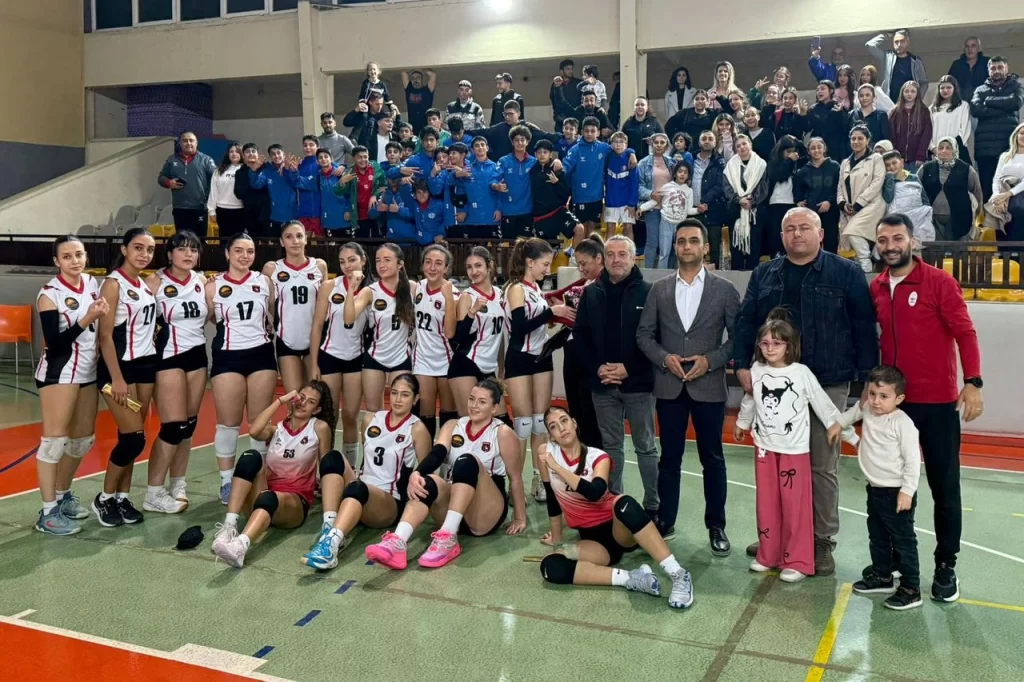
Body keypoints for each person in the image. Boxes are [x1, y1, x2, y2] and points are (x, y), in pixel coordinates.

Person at [733, 206, 879, 575]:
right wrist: (741, 364)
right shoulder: (764, 273)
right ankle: (778, 536)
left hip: (828, 380)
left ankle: (820, 540)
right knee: (777, 463)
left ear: (821, 233)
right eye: (789, 229)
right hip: (776, 381)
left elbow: (864, 326)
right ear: (782, 236)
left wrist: (868, 379)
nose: (796, 234)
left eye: (804, 227)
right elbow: (747, 320)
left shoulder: (846, 272)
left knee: (820, 465)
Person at [870, 213, 983, 602]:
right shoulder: (877, 287)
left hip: (936, 405)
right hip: (893, 408)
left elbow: (965, 333)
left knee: (944, 487)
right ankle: (899, 564)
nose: (890, 246)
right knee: (894, 488)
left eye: (897, 238)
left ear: (912, 241)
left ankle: (946, 565)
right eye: (883, 240)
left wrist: (973, 381)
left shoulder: (940, 282)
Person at [636, 221, 740, 550]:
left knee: (713, 459)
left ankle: (716, 526)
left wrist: (710, 361)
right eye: (681, 241)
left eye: (693, 241)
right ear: (675, 247)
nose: (686, 246)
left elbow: (738, 339)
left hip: (708, 387)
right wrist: (663, 358)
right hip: (669, 387)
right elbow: (644, 335)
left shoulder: (725, 290)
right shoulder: (659, 289)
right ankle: (666, 520)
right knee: (669, 459)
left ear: (705, 247)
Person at [536, 406, 695, 609]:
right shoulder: (546, 454)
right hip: (593, 542)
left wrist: (557, 468)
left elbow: (595, 492)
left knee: (624, 503)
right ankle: (632, 578)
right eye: (553, 426)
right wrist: (557, 539)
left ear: (574, 423)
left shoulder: (597, 456)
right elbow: (552, 497)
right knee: (550, 566)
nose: (561, 428)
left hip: (619, 529)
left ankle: (679, 575)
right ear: (551, 436)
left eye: (564, 420)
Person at [364, 379, 527, 570]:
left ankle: (448, 538)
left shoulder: (502, 432)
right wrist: (417, 472)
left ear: (494, 408)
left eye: (482, 402)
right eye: (471, 399)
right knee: (426, 481)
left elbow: (515, 478)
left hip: (485, 512)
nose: (474, 405)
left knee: (467, 461)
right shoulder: (453, 425)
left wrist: (519, 517)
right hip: (453, 507)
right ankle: (398, 542)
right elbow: (437, 453)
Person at [734, 313, 849, 582]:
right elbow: (751, 399)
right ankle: (768, 554)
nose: (770, 348)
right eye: (765, 343)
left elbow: (822, 403)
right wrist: (742, 422)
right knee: (767, 504)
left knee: (794, 507)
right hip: (765, 449)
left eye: (777, 343)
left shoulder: (801, 373)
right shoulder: (756, 370)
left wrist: (844, 430)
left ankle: (797, 560)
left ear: (789, 346)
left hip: (794, 451)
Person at [303, 374, 432, 570]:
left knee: (358, 487)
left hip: (389, 502)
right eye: (394, 393)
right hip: (360, 488)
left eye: (405, 395)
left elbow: (426, 470)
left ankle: (331, 547)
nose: (398, 399)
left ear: (415, 399)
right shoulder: (372, 419)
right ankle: (329, 527)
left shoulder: (417, 429)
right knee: (332, 457)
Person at [573, 236, 658, 515]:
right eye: (610, 254)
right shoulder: (591, 294)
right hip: (602, 386)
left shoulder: (649, 292)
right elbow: (580, 337)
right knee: (611, 447)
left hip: (639, 385)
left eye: (622, 254)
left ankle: (653, 505)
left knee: (646, 446)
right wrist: (598, 368)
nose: (616, 259)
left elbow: (655, 339)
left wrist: (629, 369)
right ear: (604, 259)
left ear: (633, 258)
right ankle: (614, 505)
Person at [210, 382, 337, 568]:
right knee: (250, 457)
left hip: (294, 503)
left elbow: (326, 465)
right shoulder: (277, 429)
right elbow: (254, 431)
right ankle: (229, 527)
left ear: (317, 409)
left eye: (310, 402)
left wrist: (328, 502)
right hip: (265, 496)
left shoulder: (318, 427)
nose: (303, 403)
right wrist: (280, 401)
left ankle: (240, 546)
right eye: (301, 397)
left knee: (268, 497)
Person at [827, 365, 923, 611]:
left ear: (898, 398)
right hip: (875, 489)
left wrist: (907, 491)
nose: (876, 401)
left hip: (896, 492)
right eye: (872, 394)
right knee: (877, 536)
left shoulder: (903, 423)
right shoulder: (868, 409)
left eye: (883, 396)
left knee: (903, 541)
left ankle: (911, 589)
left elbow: (913, 461)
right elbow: (851, 415)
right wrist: (838, 426)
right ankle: (882, 575)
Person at [33, 236, 107, 535]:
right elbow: (55, 343)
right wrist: (86, 318)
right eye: (67, 256)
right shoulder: (49, 294)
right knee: (54, 443)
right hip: (59, 373)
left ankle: (62, 496)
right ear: (56, 261)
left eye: (79, 254)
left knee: (82, 441)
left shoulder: (91, 282)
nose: (74, 261)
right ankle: (47, 512)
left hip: (87, 371)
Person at [207, 233, 279, 507]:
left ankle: (258, 477)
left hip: (261, 355)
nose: (244, 256)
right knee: (228, 423)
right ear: (227, 253)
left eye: (249, 251)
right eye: (238, 250)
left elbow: (270, 313)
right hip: (227, 357)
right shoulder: (213, 286)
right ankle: (227, 481)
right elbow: (211, 317)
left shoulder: (264, 282)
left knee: (259, 425)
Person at [92, 228, 158, 527]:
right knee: (133, 438)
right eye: (138, 248)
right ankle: (104, 498)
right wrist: (116, 379)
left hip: (145, 367)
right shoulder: (113, 284)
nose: (144, 254)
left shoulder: (143, 284)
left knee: (132, 437)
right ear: (124, 249)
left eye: (149, 249)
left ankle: (122, 497)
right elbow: (105, 337)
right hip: (119, 369)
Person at [505, 238, 575, 502]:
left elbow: (538, 326)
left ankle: (539, 478)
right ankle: (515, 483)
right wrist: (551, 312)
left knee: (539, 422)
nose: (548, 269)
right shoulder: (516, 288)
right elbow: (519, 328)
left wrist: (555, 318)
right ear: (529, 262)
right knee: (522, 424)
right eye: (545, 264)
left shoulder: (536, 288)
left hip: (541, 357)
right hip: (520, 358)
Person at [143, 231, 207, 514]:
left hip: (197, 356)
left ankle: (178, 484)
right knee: (172, 427)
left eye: (193, 249)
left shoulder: (202, 282)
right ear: (169, 254)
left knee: (188, 426)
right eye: (182, 249)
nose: (188, 254)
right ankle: (153, 493)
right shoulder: (154, 282)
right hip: (167, 357)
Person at [309, 242, 370, 466]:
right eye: (342, 261)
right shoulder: (329, 286)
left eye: (352, 260)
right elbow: (317, 326)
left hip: (356, 358)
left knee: (351, 415)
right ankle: (326, 468)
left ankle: (349, 468)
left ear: (363, 260)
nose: (347, 265)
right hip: (329, 356)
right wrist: (314, 364)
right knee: (329, 416)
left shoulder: (372, 289)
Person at [544, 235, 605, 448]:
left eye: (584, 263)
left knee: (589, 411)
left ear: (599, 259)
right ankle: (579, 456)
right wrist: (556, 311)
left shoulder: (606, 285)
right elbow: (554, 298)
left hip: (591, 355)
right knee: (576, 407)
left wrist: (561, 314)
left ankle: (595, 459)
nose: (580, 269)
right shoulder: (584, 283)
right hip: (572, 351)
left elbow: (592, 321)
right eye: (578, 264)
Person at [343, 243, 414, 417]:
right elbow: (348, 318)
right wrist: (351, 288)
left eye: (387, 260)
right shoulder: (370, 291)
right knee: (373, 413)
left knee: (401, 413)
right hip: (375, 358)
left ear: (400, 264)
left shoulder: (412, 287)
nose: (381, 265)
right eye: (378, 260)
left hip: (402, 357)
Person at [262, 222, 326, 394]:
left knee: (315, 396)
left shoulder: (319, 266)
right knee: (295, 398)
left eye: (299, 236)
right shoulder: (272, 268)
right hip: (287, 339)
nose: (295, 241)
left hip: (315, 340)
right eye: (289, 237)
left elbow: (324, 303)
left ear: (306, 239)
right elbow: (267, 304)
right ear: (282, 242)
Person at [447, 247, 508, 416]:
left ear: (490, 266)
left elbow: (499, 335)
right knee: (471, 421)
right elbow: (458, 339)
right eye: (469, 267)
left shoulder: (501, 294)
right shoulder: (467, 296)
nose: (474, 271)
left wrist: (501, 367)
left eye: (478, 265)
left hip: (489, 367)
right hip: (466, 364)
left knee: (502, 420)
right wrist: (472, 312)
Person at [411, 245, 457, 438]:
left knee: (448, 413)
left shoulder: (454, 294)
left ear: (446, 268)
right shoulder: (416, 287)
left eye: (438, 263)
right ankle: (425, 453)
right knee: (424, 414)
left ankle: (446, 455)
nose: (432, 267)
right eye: (428, 262)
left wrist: (449, 299)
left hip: (447, 359)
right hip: (422, 360)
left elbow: (450, 332)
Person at [970, 56, 1024, 200]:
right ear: (988, 70)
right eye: (993, 68)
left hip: (1008, 146)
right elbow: (975, 109)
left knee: (1011, 187)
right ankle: (989, 215)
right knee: (987, 188)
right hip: (985, 148)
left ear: (1006, 68)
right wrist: (1005, 108)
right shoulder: (980, 89)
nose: (997, 71)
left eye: (1000, 67)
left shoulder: (1016, 86)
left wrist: (988, 101)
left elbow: (1016, 102)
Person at [839, 125, 887, 272]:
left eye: (860, 138)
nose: (856, 141)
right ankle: (868, 259)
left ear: (868, 140)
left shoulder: (876, 158)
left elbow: (877, 182)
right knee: (851, 236)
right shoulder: (845, 162)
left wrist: (859, 203)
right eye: (853, 138)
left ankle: (866, 262)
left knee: (853, 231)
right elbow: (840, 186)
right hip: (850, 208)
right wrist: (842, 203)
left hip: (872, 204)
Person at [919, 137, 983, 241]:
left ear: (955, 150)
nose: (944, 151)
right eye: (940, 148)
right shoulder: (926, 168)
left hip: (959, 218)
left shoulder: (966, 169)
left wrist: (978, 212)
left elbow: (977, 191)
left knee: (956, 249)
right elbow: (917, 189)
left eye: (948, 148)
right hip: (930, 219)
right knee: (935, 249)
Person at [157, 131, 216, 240]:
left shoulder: (206, 160)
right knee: (181, 241)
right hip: (179, 208)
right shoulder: (172, 160)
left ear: (196, 143)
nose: (188, 143)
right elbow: (161, 178)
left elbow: (216, 180)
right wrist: (169, 183)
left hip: (199, 208)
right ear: (180, 143)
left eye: (191, 140)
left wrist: (208, 200)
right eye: (185, 141)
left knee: (199, 241)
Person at [723, 134, 769, 270]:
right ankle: (737, 276)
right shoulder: (730, 166)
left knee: (754, 246)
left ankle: (752, 275)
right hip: (736, 211)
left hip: (755, 212)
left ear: (750, 145)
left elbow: (764, 187)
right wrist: (739, 200)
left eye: (744, 144)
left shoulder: (761, 164)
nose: (742, 147)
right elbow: (727, 187)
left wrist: (752, 202)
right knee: (736, 247)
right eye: (738, 146)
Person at [794, 137, 841, 253]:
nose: (816, 150)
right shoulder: (803, 171)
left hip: (830, 211)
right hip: (811, 212)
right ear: (808, 151)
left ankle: (830, 264)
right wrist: (798, 201)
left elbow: (840, 188)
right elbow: (797, 189)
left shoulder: (835, 166)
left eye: (819, 147)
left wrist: (829, 201)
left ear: (824, 148)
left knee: (831, 242)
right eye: (813, 148)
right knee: (812, 243)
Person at [692, 131, 729, 269]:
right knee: (695, 245)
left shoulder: (720, 161)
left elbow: (721, 185)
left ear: (715, 142)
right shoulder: (691, 159)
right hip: (693, 210)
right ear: (699, 142)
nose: (707, 141)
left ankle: (714, 275)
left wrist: (705, 201)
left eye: (710, 139)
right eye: (704, 139)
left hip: (713, 210)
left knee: (714, 246)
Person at [881, 151, 936, 244]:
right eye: (887, 165)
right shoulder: (886, 181)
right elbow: (888, 198)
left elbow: (924, 198)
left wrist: (927, 213)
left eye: (894, 163)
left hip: (917, 216)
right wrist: (890, 178)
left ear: (901, 162)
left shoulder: (913, 178)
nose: (891, 167)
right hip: (898, 216)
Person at [637, 133, 675, 268]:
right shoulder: (643, 163)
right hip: (652, 208)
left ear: (666, 145)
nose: (659, 145)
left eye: (662, 142)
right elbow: (638, 186)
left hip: (670, 208)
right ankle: (649, 273)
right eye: (656, 142)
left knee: (670, 242)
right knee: (652, 242)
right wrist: (650, 194)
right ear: (652, 144)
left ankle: (669, 272)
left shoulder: (672, 163)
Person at [763, 136, 803, 258]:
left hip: (792, 203)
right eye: (788, 151)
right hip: (776, 203)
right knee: (776, 236)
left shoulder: (799, 164)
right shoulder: (774, 163)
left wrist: (797, 141)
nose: (791, 154)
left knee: (791, 234)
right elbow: (777, 176)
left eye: (793, 151)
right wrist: (789, 161)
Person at [866, 30, 929, 104]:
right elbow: (870, 45)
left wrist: (918, 99)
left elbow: (924, 83)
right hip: (890, 103)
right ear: (893, 43)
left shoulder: (915, 61)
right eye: (896, 42)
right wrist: (886, 35)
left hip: (909, 104)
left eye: (902, 41)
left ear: (908, 42)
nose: (899, 45)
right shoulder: (887, 57)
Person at [247, 144, 298, 233]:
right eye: (273, 154)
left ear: (283, 155)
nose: (276, 156)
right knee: (275, 241)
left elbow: (297, 181)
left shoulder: (292, 168)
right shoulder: (267, 171)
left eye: (278, 153)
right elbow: (257, 184)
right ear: (270, 157)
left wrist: (286, 169)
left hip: (292, 216)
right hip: (274, 217)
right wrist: (253, 170)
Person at [603, 132, 639, 242]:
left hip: (627, 202)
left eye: (621, 142)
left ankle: (629, 251)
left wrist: (632, 203)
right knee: (610, 229)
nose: (618, 145)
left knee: (628, 228)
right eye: (615, 142)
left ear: (626, 145)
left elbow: (635, 184)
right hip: (611, 200)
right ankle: (608, 251)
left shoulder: (630, 160)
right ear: (611, 144)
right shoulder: (608, 156)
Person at [991, 123, 1024, 243]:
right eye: (1022, 133)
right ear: (1016, 135)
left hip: (1019, 198)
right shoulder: (1005, 156)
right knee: (1001, 232)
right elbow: (997, 178)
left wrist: (1008, 194)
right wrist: (997, 196)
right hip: (1002, 197)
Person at [888, 81, 932, 171]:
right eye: (906, 91)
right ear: (902, 92)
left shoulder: (924, 111)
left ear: (917, 93)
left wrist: (920, 156)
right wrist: (895, 155)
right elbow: (891, 135)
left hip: (916, 160)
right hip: (898, 159)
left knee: (914, 179)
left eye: (913, 91)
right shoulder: (895, 112)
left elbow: (926, 135)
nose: (909, 94)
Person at [929, 75, 972, 165]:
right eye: (942, 88)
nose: (945, 90)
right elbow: (927, 131)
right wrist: (933, 148)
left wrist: (952, 148)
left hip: (957, 151)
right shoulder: (932, 108)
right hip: (937, 152)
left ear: (954, 88)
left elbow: (965, 130)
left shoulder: (963, 106)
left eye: (948, 87)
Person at [233, 143, 271, 238]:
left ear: (258, 154)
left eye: (253, 151)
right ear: (243, 156)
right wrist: (252, 172)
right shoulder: (240, 172)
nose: (251, 154)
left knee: (269, 241)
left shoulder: (267, 168)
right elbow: (238, 193)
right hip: (249, 214)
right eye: (247, 152)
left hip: (268, 213)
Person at [947, 36, 989, 101]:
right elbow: (949, 83)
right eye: (967, 46)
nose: (970, 49)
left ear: (979, 48)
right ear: (964, 49)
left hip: (982, 101)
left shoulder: (987, 63)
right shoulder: (957, 65)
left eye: (973, 46)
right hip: (961, 102)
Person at [401, 69, 437, 133]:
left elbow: (433, 75)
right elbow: (403, 73)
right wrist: (413, 69)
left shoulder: (427, 90)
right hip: (412, 125)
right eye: (413, 78)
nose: (415, 79)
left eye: (418, 77)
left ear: (422, 79)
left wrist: (420, 69)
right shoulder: (409, 89)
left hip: (426, 124)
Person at [550, 59, 583, 128]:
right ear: (561, 71)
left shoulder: (579, 83)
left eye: (571, 69)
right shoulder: (555, 84)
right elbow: (554, 101)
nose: (571, 71)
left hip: (576, 120)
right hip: (560, 121)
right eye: (568, 69)